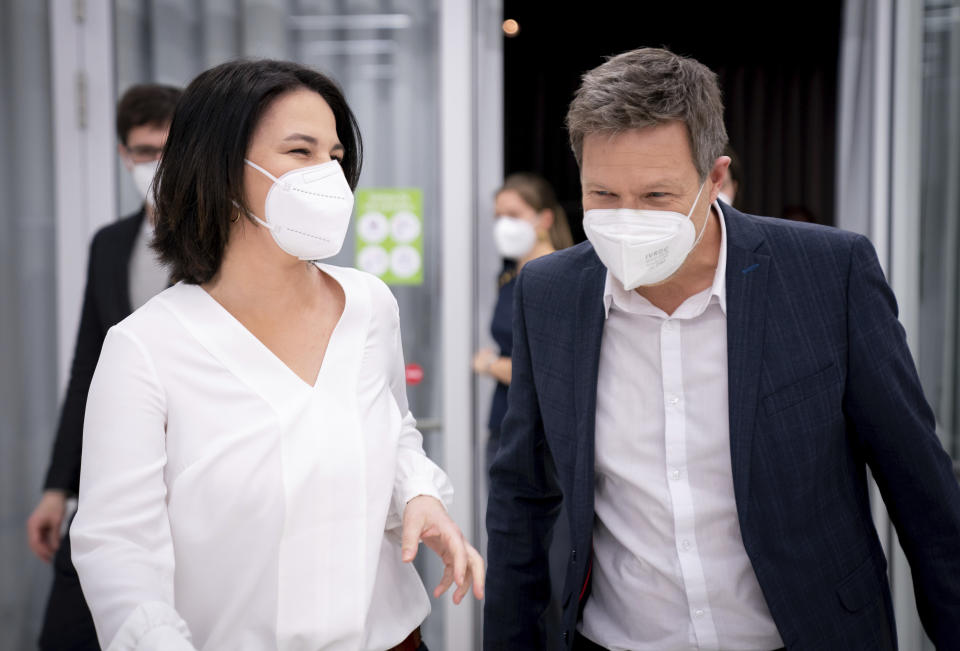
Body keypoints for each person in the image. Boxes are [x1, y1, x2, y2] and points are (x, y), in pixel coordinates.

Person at [484, 47, 960, 651]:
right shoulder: (548, 294)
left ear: (715, 178)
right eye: (603, 194)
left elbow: (922, 492)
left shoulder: (827, 274)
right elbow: (521, 499)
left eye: (656, 196)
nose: (627, 218)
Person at [70, 59, 483, 651]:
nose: (329, 175)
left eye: (335, 155)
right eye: (301, 151)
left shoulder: (369, 306)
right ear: (219, 168)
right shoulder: (144, 348)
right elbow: (118, 547)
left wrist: (418, 493)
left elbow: (395, 431)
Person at [26, 82, 181, 651]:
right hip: (111, 473)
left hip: (190, 476)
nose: (156, 165)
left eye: (169, 149)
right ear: (124, 155)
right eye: (144, 152)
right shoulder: (109, 246)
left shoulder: (224, 243)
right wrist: (55, 488)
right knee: (69, 629)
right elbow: (86, 368)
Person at [473, 172, 573, 470]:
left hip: (544, 434)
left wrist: (489, 365)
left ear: (544, 219)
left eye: (514, 215)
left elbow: (551, 370)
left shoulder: (561, 278)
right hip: (504, 425)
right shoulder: (508, 279)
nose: (504, 225)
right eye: (498, 216)